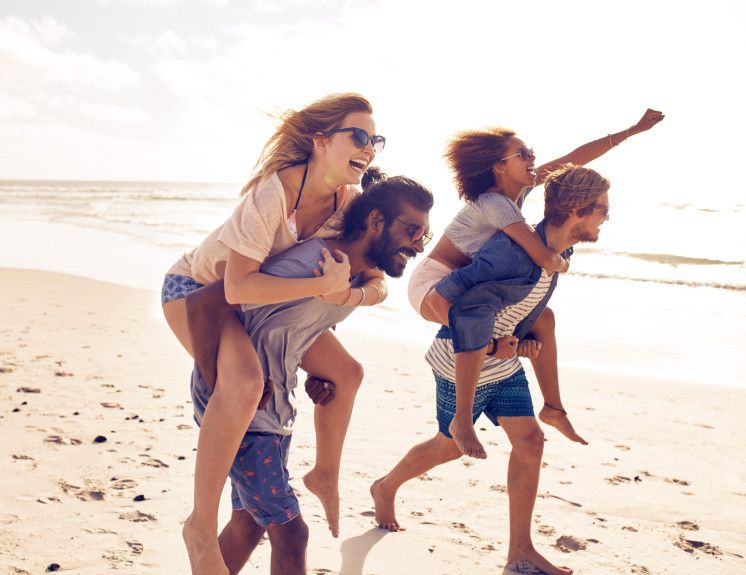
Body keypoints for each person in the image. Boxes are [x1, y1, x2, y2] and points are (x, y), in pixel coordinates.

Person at [161, 93, 390, 574]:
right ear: (321, 141)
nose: (369, 148)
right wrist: (320, 285)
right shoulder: (274, 192)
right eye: (360, 136)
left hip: (259, 311)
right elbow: (237, 286)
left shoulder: (346, 203)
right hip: (198, 294)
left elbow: (377, 281)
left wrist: (346, 297)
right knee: (245, 385)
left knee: (347, 372)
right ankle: (199, 525)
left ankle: (325, 474)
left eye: (377, 140)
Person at [187, 171, 433, 574]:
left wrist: (318, 377)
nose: (419, 244)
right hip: (242, 405)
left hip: (277, 405)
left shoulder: (351, 276)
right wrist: (220, 389)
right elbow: (202, 304)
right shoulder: (311, 261)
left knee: (249, 522)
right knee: (292, 532)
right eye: (412, 230)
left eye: (425, 234)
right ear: (375, 222)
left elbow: (302, 328)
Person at [371, 164, 611, 575]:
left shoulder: (556, 251)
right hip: (462, 360)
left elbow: (521, 304)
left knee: (531, 442)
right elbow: (459, 304)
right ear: (576, 210)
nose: (607, 216)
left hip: (502, 363)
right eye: (602, 209)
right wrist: (489, 345)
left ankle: (520, 552)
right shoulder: (508, 252)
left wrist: (520, 336)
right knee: (448, 445)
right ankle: (386, 486)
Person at [408, 109, 664, 458]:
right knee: (481, 331)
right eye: (523, 154)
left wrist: (632, 131)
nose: (533, 158)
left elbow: (573, 160)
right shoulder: (495, 204)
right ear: (500, 167)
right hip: (433, 284)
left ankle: (554, 408)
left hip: (461, 280)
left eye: (532, 152)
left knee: (542, 320)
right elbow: (544, 258)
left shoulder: (517, 194)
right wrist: (562, 262)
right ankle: (463, 420)